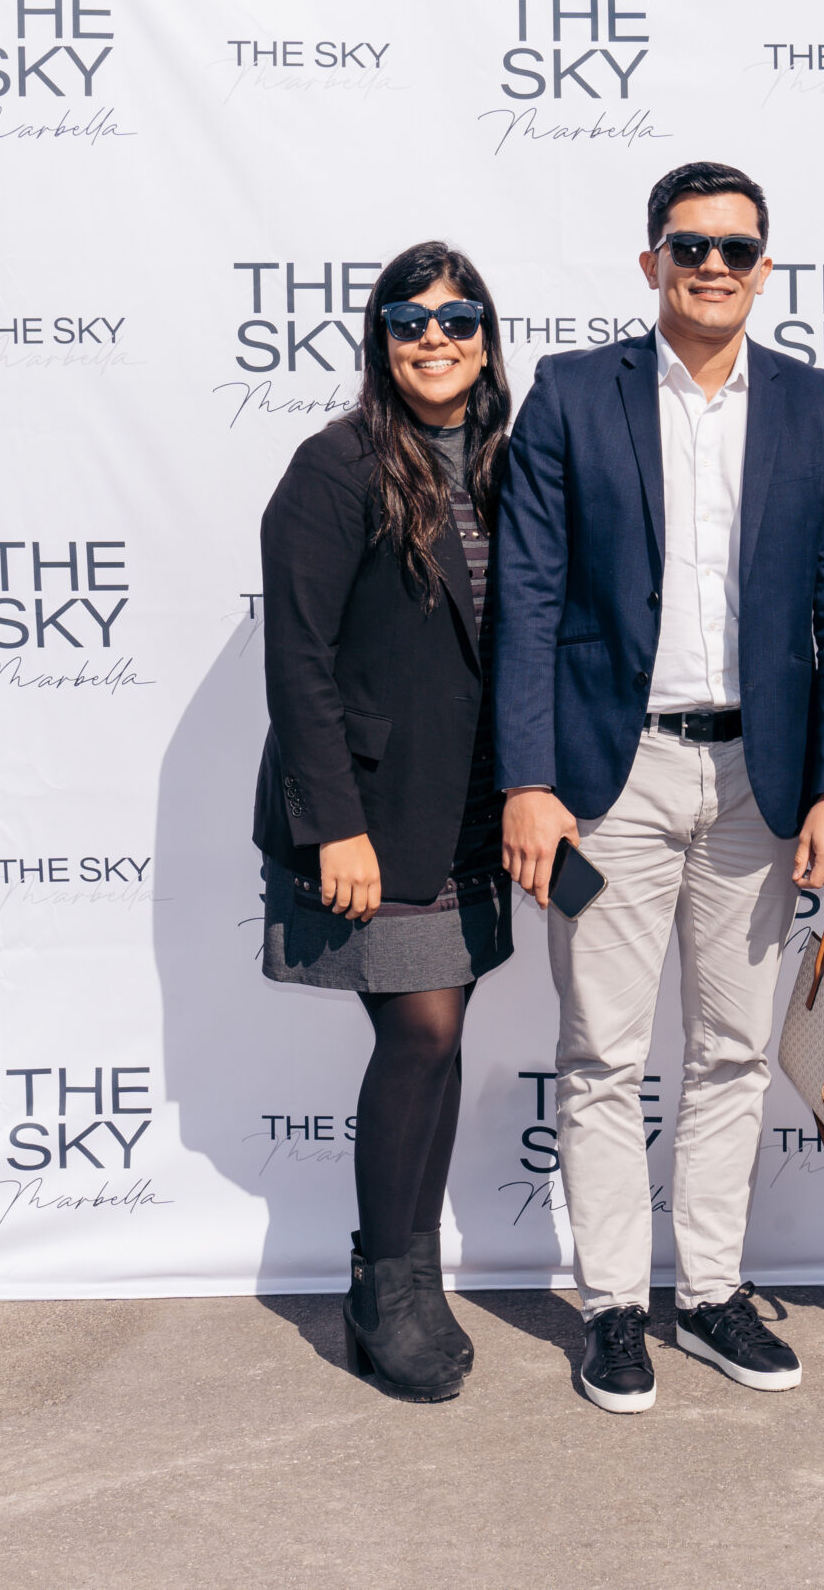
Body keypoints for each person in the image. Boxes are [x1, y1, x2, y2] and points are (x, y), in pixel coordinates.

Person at [493, 162, 824, 1415]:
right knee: (601, 1054)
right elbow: (527, 598)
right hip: (611, 780)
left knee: (732, 1051)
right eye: (689, 245)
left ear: (765, 268)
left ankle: (709, 1293)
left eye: (736, 248)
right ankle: (612, 1306)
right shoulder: (571, 393)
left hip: (760, 782)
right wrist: (528, 779)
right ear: (650, 260)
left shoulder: (820, 408)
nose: (713, 266)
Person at [252, 241, 515, 1404]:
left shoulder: (510, 465)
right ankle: (382, 1285)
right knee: (419, 1032)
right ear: (380, 340)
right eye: (409, 321)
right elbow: (297, 659)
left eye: (457, 318)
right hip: (375, 813)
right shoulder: (336, 465)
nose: (434, 339)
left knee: (441, 1038)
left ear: (487, 338)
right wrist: (334, 826)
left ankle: (412, 1278)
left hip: (473, 809)